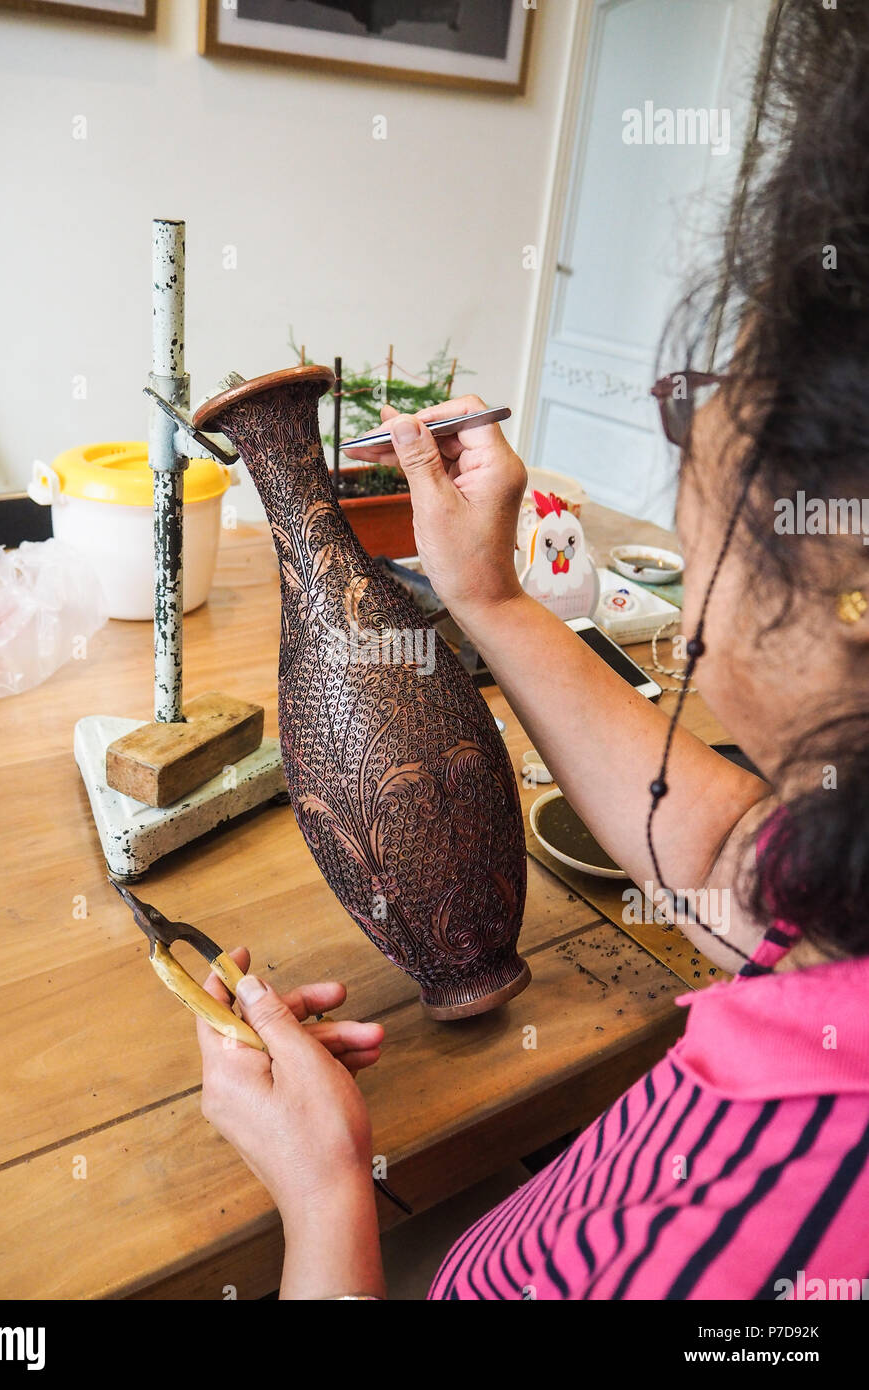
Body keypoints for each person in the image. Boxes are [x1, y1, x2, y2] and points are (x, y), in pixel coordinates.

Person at [197, 0, 869, 1299]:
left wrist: (330, 1203)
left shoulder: (762, 1260)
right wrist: (491, 598)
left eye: (705, 402)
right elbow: (744, 865)